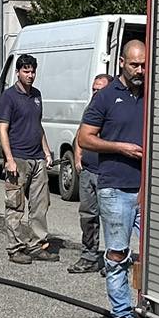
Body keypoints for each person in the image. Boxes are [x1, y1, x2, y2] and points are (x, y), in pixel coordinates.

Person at [79, 39, 146, 318]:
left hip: (149, 190)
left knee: (154, 258)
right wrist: (120, 147)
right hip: (115, 187)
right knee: (117, 255)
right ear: (122, 62)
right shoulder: (106, 97)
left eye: (144, 64)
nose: (140, 70)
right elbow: (85, 138)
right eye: (134, 64)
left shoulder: (153, 93)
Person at [0, 53, 56, 265]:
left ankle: (37, 245)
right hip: (18, 159)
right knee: (15, 205)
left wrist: (47, 152)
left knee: (40, 205)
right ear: (18, 72)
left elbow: (38, 126)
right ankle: (15, 248)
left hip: (37, 158)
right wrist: (9, 159)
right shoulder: (9, 97)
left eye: (33, 71)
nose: (30, 75)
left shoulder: (37, 95)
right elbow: (2, 129)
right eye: (26, 71)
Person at [68, 72, 111, 274]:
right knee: (88, 216)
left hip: (106, 173)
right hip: (88, 171)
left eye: (99, 89)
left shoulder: (113, 110)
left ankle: (113, 260)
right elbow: (80, 134)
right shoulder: (91, 108)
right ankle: (89, 257)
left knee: (112, 218)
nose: (95, 93)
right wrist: (78, 157)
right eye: (93, 89)